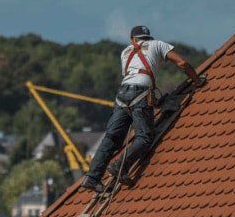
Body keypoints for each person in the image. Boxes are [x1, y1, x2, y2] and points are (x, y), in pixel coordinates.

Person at [81, 25, 206, 193]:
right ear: (148, 37)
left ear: (133, 39)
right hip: (140, 93)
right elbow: (182, 63)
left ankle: (92, 177)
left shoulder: (125, 52)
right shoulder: (158, 44)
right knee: (145, 137)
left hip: (122, 95)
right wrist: (197, 80)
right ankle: (120, 166)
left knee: (111, 138)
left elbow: (134, 75)